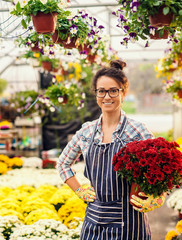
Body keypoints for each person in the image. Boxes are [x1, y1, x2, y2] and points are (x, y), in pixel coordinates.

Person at [56, 60, 166, 239]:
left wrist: (159, 196)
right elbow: (63, 163)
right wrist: (79, 190)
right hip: (93, 222)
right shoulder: (87, 131)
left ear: (123, 92)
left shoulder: (137, 131)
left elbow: (163, 167)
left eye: (113, 91)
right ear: (96, 94)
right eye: (101, 91)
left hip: (130, 223)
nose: (107, 97)